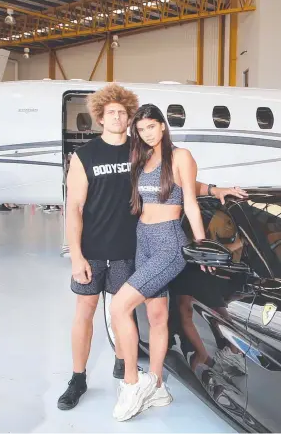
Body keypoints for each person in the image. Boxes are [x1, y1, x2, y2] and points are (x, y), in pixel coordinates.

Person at [58, 84, 247, 412]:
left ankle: (131, 376)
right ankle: (79, 377)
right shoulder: (92, 155)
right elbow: (73, 207)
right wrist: (75, 254)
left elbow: (181, 183)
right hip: (98, 248)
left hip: (134, 248)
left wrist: (213, 189)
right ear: (100, 117)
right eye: (110, 113)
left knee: (128, 311)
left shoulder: (141, 149)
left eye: (122, 112)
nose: (117, 117)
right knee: (87, 312)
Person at [109, 103, 209, 421]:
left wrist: (202, 244)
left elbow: (190, 201)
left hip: (169, 243)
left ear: (163, 126)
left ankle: (133, 383)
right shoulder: (143, 158)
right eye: (140, 129)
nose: (146, 133)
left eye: (151, 126)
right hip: (144, 239)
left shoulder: (180, 156)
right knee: (156, 315)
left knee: (119, 307)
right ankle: (159, 386)